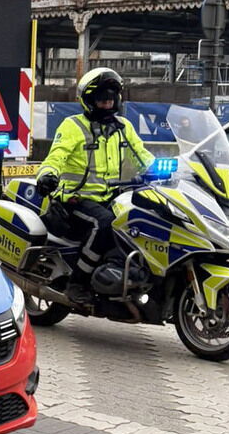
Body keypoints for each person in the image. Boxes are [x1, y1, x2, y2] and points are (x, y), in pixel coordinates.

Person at [35, 67, 154, 305]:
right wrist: (47, 175)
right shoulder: (73, 126)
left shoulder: (123, 128)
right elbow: (56, 157)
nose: (108, 103)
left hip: (111, 197)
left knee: (141, 220)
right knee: (105, 224)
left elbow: (143, 157)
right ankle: (77, 283)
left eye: (111, 98)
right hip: (73, 199)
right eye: (101, 99)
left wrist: (177, 172)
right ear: (89, 101)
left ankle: (123, 274)